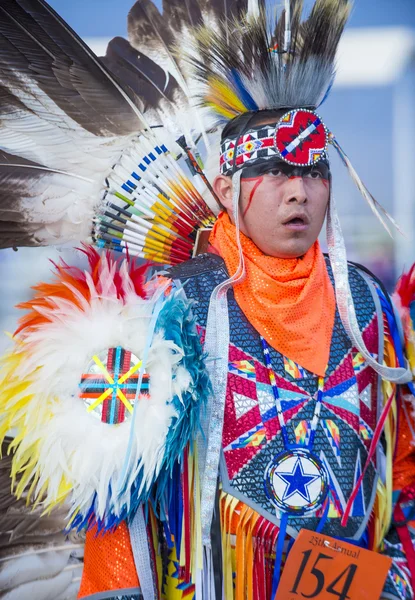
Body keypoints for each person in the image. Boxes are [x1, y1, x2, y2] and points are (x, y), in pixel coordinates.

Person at [0, 1, 415, 599]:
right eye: (273, 171)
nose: (297, 191)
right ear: (225, 189)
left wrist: (395, 577)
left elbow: (398, 465)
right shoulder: (173, 307)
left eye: (314, 171)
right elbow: (121, 502)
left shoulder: (366, 303)